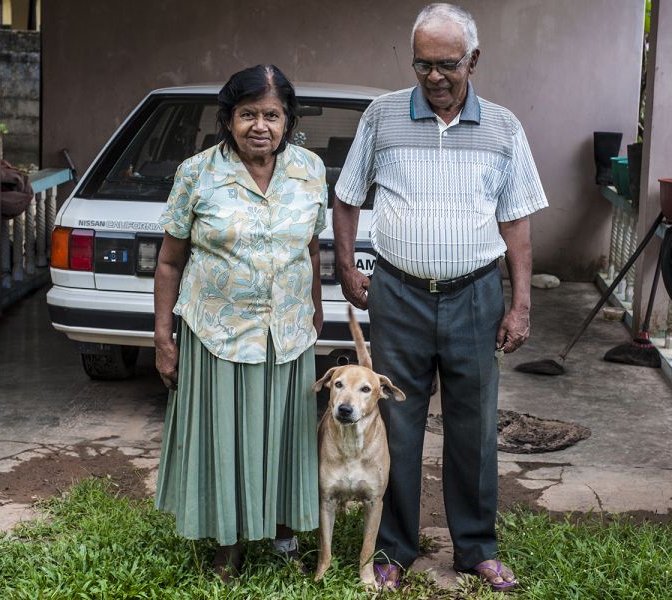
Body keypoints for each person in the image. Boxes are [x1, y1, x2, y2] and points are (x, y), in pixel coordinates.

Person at [333, 3, 547, 591]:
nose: (433, 77)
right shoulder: (381, 116)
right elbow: (348, 196)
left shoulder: (504, 127)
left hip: (475, 294)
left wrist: (520, 301)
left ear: (472, 60)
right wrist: (347, 266)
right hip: (398, 294)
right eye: (422, 64)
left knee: (473, 426)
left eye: (446, 65)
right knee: (396, 421)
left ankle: (475, 546)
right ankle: (395, 546)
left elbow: (518, 222)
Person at [153, 64, 327, 582]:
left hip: (288, 332)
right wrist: (164, 339)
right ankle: (227, 542)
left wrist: (314, 313)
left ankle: (281, 532)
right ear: (228, 118)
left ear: (287, 120)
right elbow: (168, 261)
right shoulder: (197, 173)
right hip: (217, 332)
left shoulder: (310, 171)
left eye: (272, 115)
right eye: (248, 114)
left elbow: (311, 249)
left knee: (284, 434)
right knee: (226, 439)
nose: (260, 126)